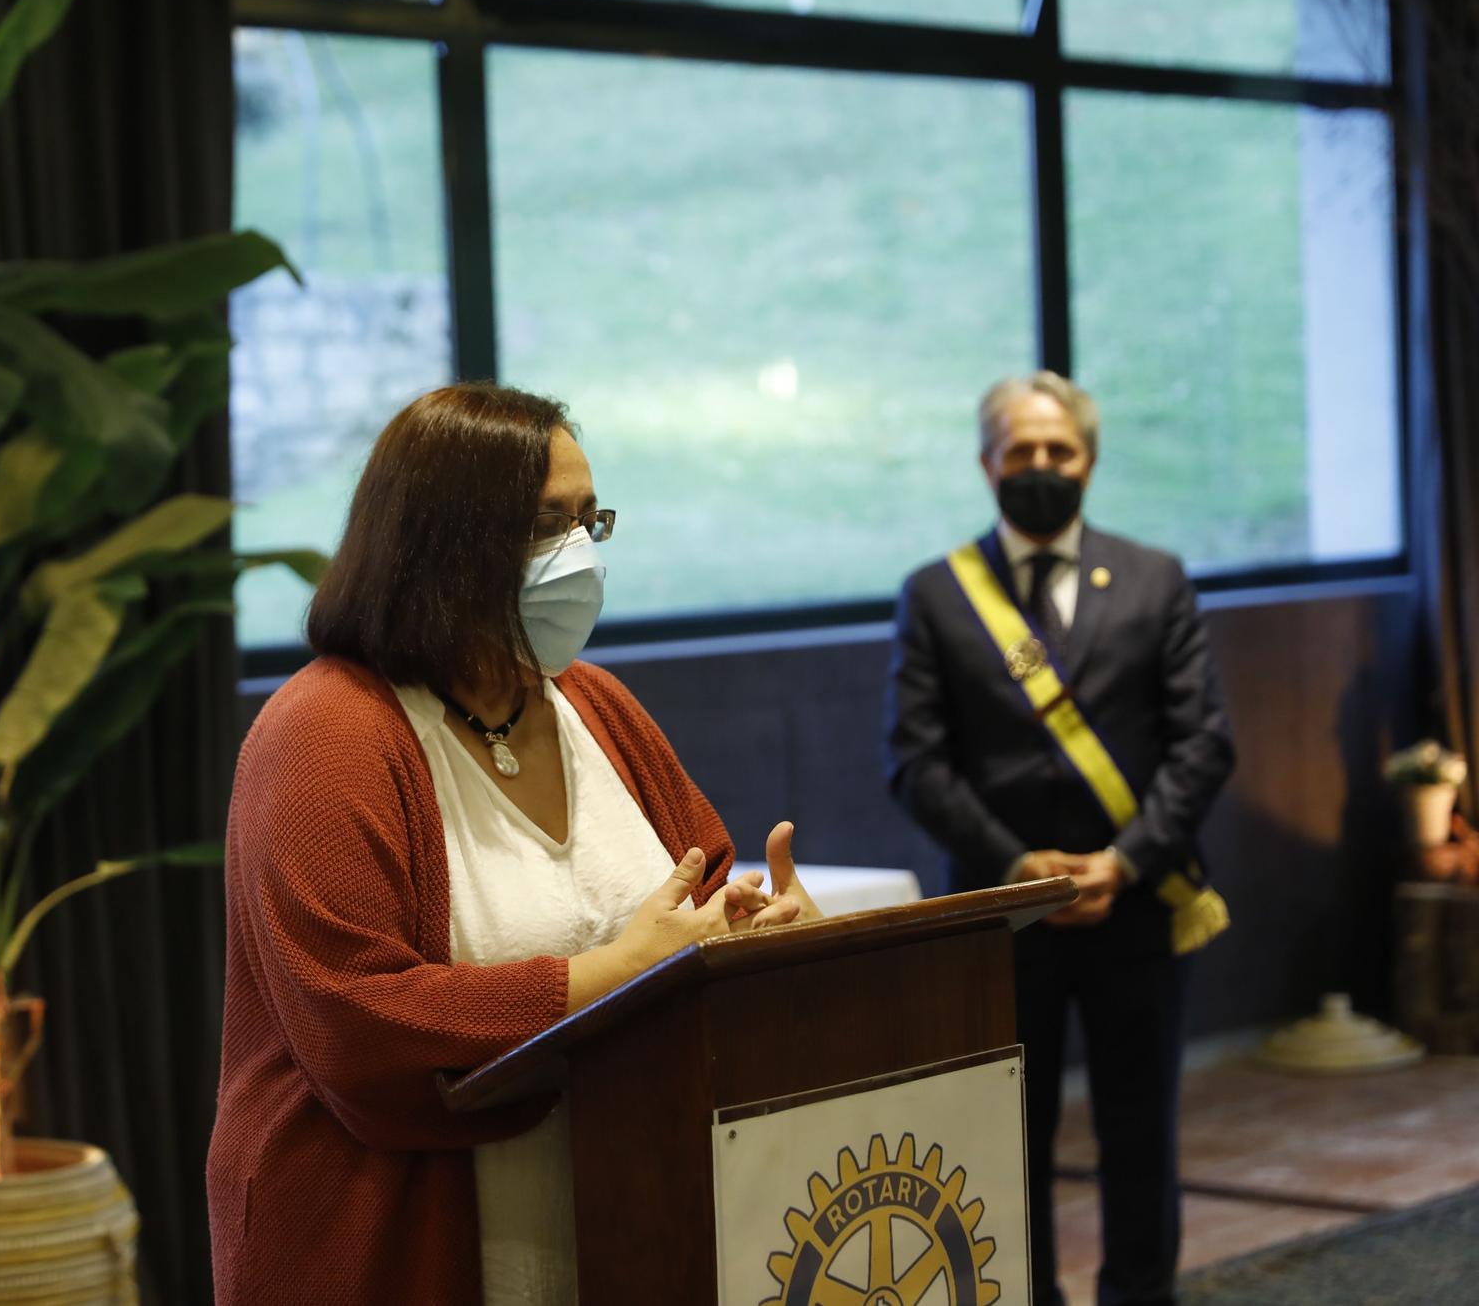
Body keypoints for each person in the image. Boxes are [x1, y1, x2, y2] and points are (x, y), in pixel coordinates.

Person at [207, 383, 818, 1305]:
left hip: (617, 1214)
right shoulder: (325, 733)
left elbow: (692, 905)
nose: (577, 554)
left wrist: (755, 934)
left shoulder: (597, 703)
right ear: (439, 543)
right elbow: (356, 1022)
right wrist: (610, 973)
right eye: (542, 525)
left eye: (588, 519)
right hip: (395, 1243)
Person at [883, 371, 1235, 1306]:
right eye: (1021, 450)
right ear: (987, 460)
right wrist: (1015, 866)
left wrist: (1126, 860)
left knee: (1139, 1129)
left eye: (1060, 450)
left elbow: (1204, 742)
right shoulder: (936, 594)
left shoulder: (1156, 579)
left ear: (1090, 459)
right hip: (1004, 916)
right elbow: (917, 762)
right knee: (1007, 1136)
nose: (1041, 466)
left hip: (1139, 900)